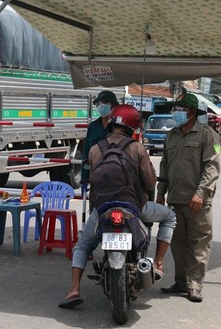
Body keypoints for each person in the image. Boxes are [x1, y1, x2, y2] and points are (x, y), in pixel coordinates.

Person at [58, 104, 176, 309]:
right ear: (133, 125)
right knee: (170, 217)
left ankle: (74, 289)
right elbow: (149, 182)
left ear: (112, 123)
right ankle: (157, 263)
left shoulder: (96, 149)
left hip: (102, 209)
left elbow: (94, 178)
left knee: (83, 244)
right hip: (133, 208)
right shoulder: (137, 148)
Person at [157, 92, 221, 303]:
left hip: (197, 201)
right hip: (175, 199)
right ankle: (181, 281)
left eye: (181, 109)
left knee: (199, 243)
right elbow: (164, 165)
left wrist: (200, 193)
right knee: (178, 243)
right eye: (176, 109)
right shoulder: (172, 135)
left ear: (192, 112)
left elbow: (212, 167)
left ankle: (195, 285)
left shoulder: (207, 134)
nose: (177, 112)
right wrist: (160, 193)